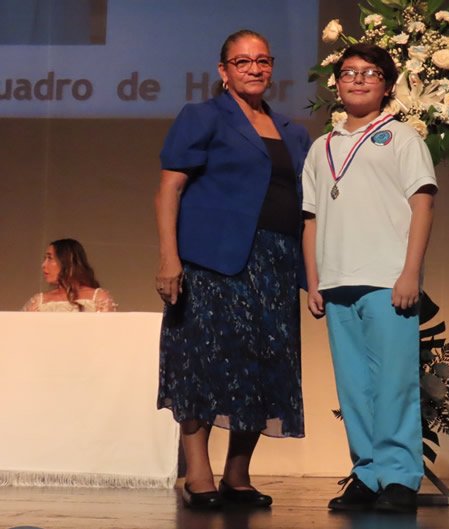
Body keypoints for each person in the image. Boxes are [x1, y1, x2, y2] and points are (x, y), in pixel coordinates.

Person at [154, 29, 310, 510]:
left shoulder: (293, 130)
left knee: (262, 366)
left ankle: (237, 474)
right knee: (202, 364)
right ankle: (198, 474)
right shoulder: (202, 116)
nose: (254, 69)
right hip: (212, 263)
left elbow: (305, 206)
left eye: (263, 60)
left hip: (275, 263)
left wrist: (310, 275)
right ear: (223, 70)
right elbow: (169, 190)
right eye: (243, 62)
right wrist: (169, 257)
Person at [302, 43, 437, 514]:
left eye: (370, 73)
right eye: (348, 72)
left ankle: (399, 476)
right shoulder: (321, 147)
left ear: (387, 85)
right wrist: (314, 280)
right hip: (336, 281)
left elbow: (423, 205)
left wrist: (410, 272)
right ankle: (366, 474)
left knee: (393, 383)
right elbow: (311, 219)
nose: (358, 79)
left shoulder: (402, 137)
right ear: (337, 83)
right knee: (354, 388)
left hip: (387, 279)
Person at [22, 238, 116, 312]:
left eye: (50, 258)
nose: (43, 265)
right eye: (45, 259)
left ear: (66, 262)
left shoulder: (98, 299)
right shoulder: (38, 302)